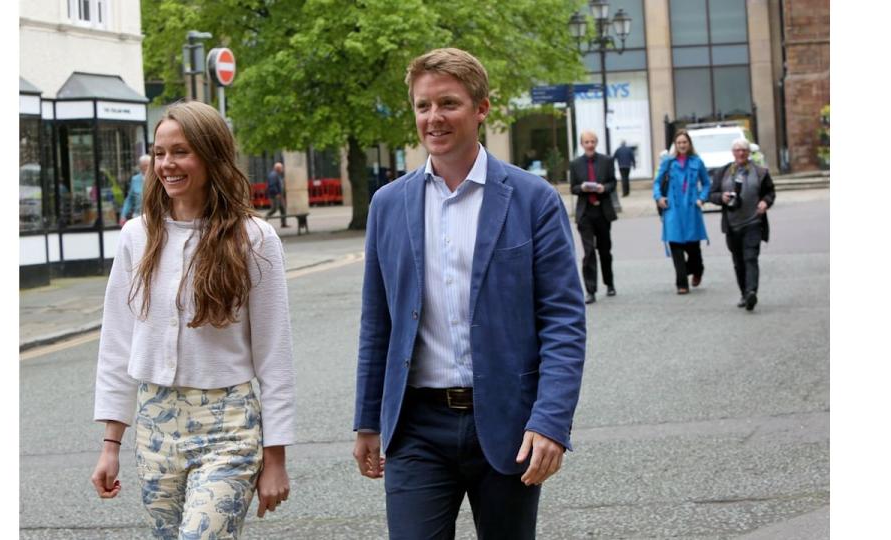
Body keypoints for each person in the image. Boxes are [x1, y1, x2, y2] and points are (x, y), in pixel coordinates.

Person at [352, 48, 586, 540]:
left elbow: (563, 321)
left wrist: (550, 421)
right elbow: (378, 323)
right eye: (422, 106)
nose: (433, 118)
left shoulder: (532, 199)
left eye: (448, 103)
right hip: (416, 426)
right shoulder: (388, 206)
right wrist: (367, 421)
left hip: (506, 423)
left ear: (481, 108)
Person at [90, 101, 294, 539]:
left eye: (181, 152)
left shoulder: (253, 238)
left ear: (211, 155)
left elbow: (275, 355)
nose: (167, 164)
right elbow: (118, 342)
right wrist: (111, 445)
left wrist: (274, 458)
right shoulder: (136, 236)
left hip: (229, 425)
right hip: (156, 423)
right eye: (160, 153)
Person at [709, 138, 776, 311]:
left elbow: (770, 192)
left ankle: (752, 291)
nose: (741, 153)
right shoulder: (723, 172)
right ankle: (744, 293)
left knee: (750, 258)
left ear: (749, 153)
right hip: (732, 225)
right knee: (738, 261)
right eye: (737, 150)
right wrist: (721, 198)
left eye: (744, 150)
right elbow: (712, 194)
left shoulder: (760, 172)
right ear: (733, 153)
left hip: (753, 222)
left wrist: (765, 202)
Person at [653, 129, 711, 294]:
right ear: (675, 145)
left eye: (684, 142)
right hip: (673, 210)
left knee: (694, 250)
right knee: (676, 246)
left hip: (692, 209)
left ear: (689, 144)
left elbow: (707, 183)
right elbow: (657, 183)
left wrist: (702, 198)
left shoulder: (697, 162)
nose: (682, 145)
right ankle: (682, 284)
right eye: (679, 143)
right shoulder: (668, 163)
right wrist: (659, 198)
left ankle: (698, 270)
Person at [569, 130, 618, 304]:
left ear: (596, 143)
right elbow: (572, 188)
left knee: (604, 251)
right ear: (582, 144)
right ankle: (590, 290)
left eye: (592, 141)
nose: (589, 144)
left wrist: (604, 188)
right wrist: (581, 188)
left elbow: (613, 182)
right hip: (585, 213)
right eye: (586, 142)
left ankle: (609, 283)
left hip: (602, 212)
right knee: (588, 252)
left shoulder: (607, 161)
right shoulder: (575, 164)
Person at [120, 154, 149, 226]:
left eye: (148, 165)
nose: (146, 168)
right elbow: (129, 199)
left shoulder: (158, 178)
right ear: (140, 167)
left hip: (155, 216)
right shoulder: (135, 179)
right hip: (138, 216)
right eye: (144, 165)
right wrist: (123, 215)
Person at [266, 162, 289, 228]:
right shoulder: (273, 175)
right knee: (274, 209)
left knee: (283, 208)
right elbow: (272, 185)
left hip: (279, 195)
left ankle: (283, 223)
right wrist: (276, 193)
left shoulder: (277, 175)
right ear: (278, 168)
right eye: (281, 168)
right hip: (275, 196)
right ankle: (265, 219)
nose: (282, 169)